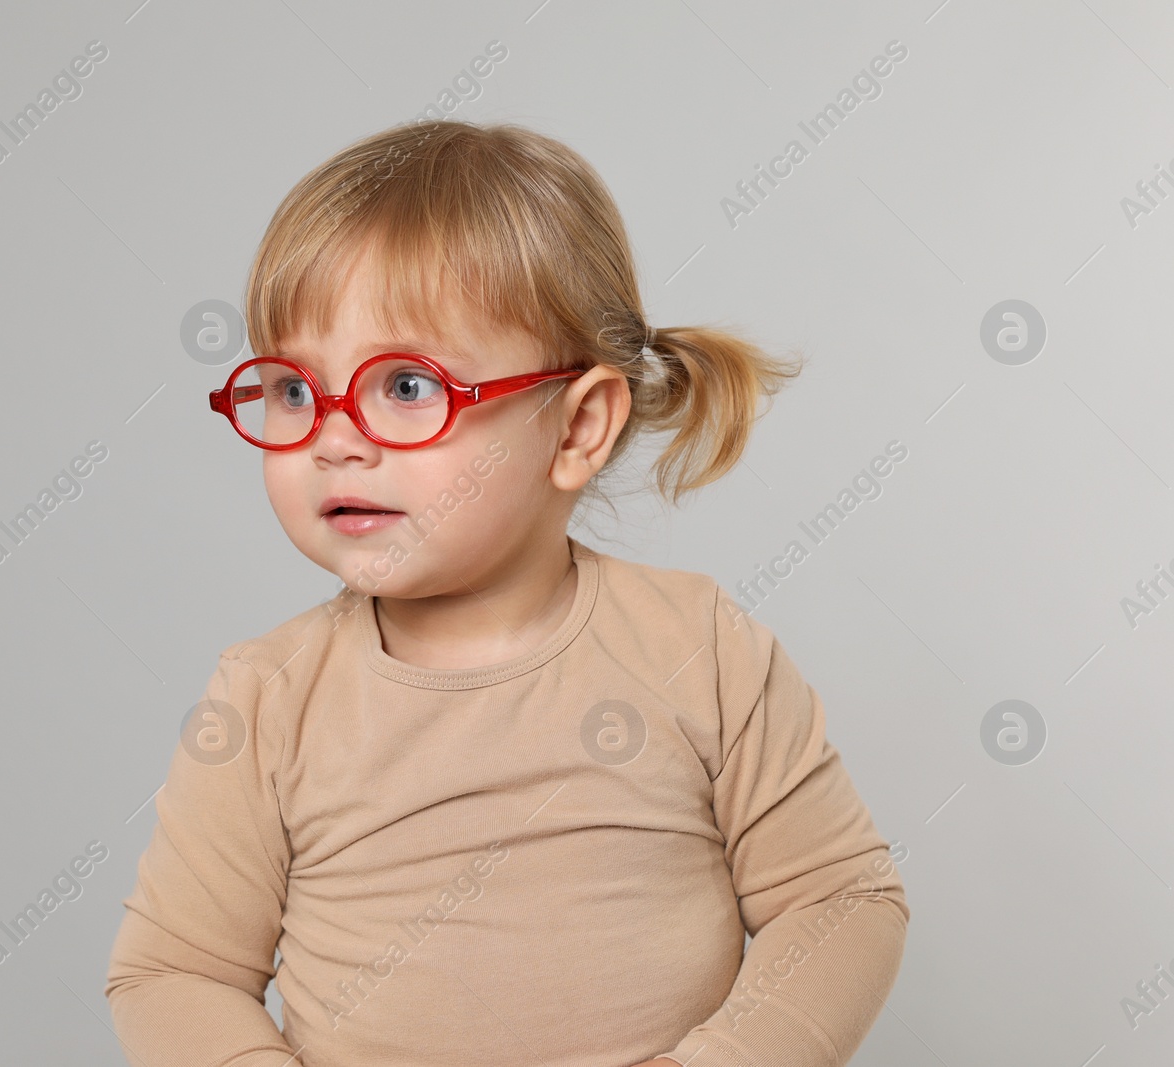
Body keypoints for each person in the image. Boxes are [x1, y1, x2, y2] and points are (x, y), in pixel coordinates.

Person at [104, 118, 908, 1067]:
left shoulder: (699, 646)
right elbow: (175, 974)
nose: (333, 438)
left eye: (404, 385)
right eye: (292, 388)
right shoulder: (267, 698)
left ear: (577, 429)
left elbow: (839, 902)